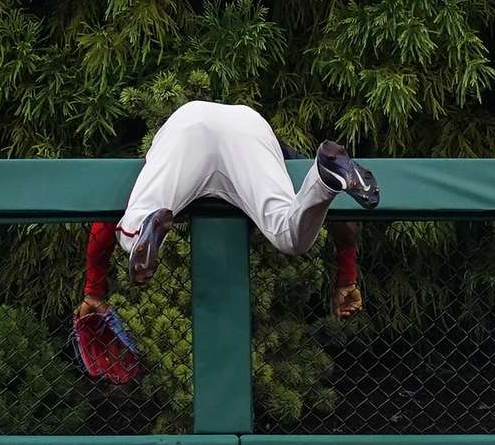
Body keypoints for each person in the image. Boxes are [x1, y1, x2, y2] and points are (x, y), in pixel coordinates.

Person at [76, 100, 379, 321]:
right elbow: (346, 221)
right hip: (249, 129)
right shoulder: (273, 146)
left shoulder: (169, 140)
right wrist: (346, 276)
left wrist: (94, 290)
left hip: (187, 125)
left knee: (137, 217)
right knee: (290, 234)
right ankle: (324, 178)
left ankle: (145, 226)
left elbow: (108, 211)